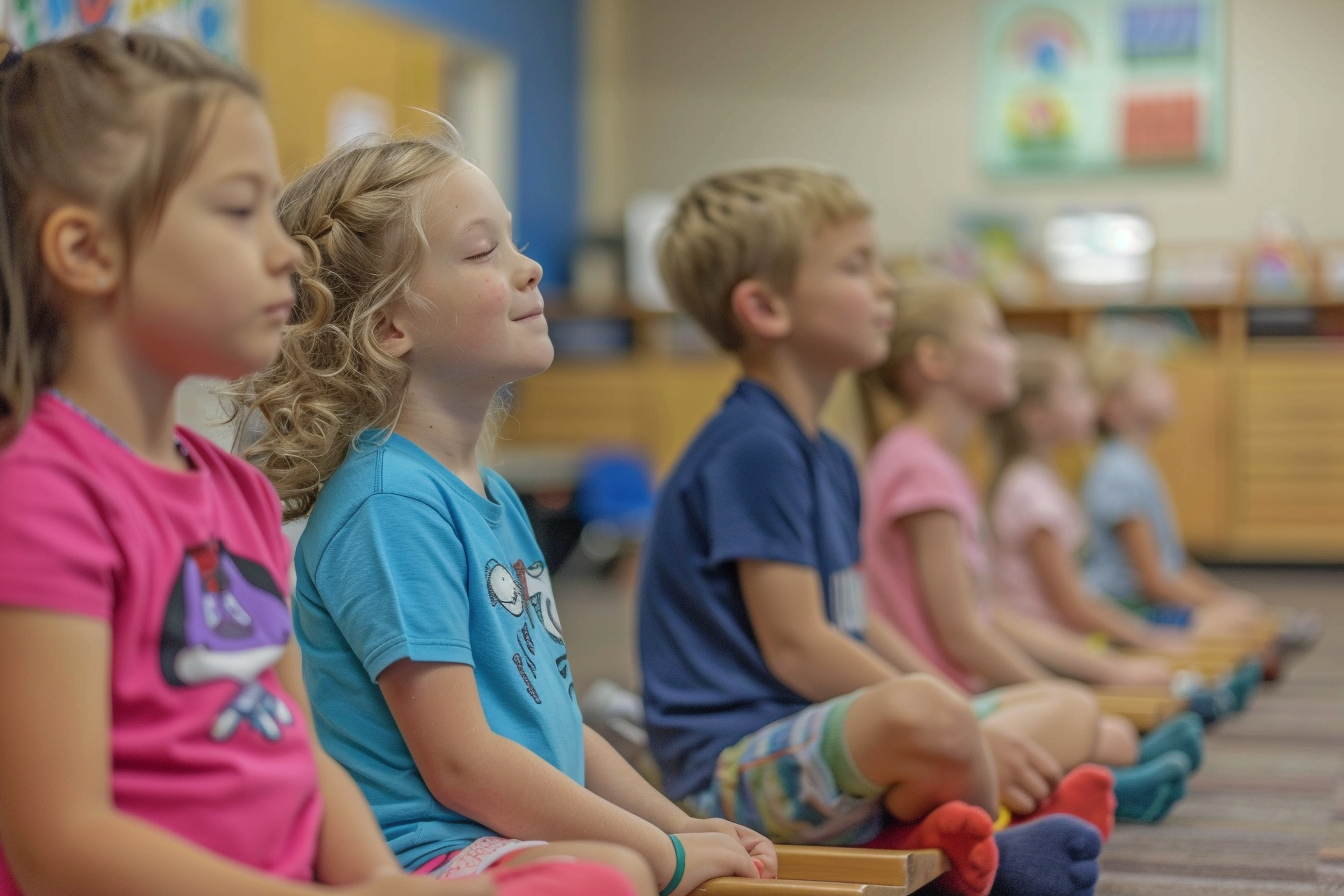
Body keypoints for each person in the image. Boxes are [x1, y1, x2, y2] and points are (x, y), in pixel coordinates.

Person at [0, 29, 643, 896]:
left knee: (602, 879)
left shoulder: (233, 490)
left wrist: (378, 880)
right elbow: (58, 844)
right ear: (87, 251)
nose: (287, 255)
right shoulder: (40, 492)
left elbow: (301, 754)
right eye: (238, 212)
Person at [227, 131, 772, 896]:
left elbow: (558, 728)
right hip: (431, 857)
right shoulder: (390, 503)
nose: (530, 267)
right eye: (484, 251)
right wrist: (661, 854)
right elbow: (463, 765)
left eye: (514, 241)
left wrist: (678, 827)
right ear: (390, 327)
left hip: (506, 838)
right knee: (619, 873)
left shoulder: (491, 497)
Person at [639, 166, 1107, 896]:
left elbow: (855, 619)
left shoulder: (830, 455)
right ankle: (977, 846)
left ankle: (950, 827)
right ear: (765, 307)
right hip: (730, 770)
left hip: (829, 738)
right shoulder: (754, 447)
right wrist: (959, 722)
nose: (886, 285)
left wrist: (962, 716)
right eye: (857, 266)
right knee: (933, 716)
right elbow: (800, 645)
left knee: (1070, 708)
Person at [859, 282, 1197, 824]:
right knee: (1086, 718)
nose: (1010, 350)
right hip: (940, 702)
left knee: (1090, 720)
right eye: (993, 334)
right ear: (936, 359)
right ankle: (1094, 784)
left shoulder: (931, 461)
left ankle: (1098, 778)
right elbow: (962, 633)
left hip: (949, 693)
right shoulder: (920, 466)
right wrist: (1056, 687)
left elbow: (984, 616)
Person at [986, 334, 1241, 722]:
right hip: (1051, 645)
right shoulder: (1032, 493)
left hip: (1065, 637)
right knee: (1181, 664)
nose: (1090, 402)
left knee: (1204, 649)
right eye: (1075, 392)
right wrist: (1145, 639)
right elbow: (1072, 604)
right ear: (1036, 417)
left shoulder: (1038, 482)